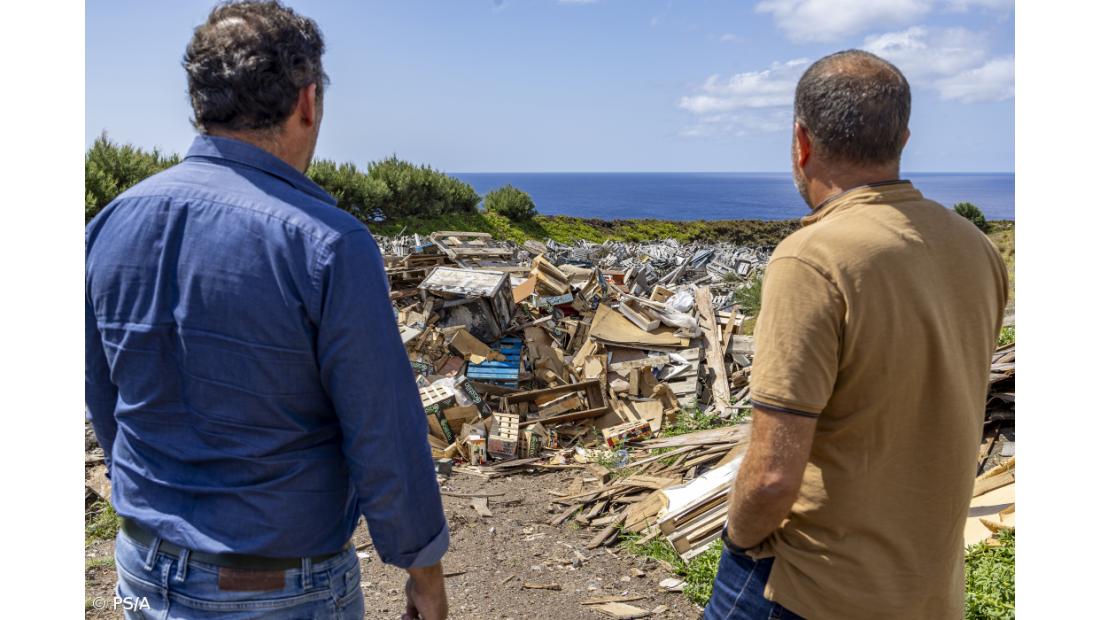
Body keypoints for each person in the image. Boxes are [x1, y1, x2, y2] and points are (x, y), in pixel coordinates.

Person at [84, 2, 449, 618]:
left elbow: (103, 393)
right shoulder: (328, 241)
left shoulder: (109, 224)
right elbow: (382, 430)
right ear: (307, 101)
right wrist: (424, 574)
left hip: (145, 562)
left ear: (200, 104)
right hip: (279, 584)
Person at [704, 50, 1008, 620]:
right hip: (928, 591)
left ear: (802, 141)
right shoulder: (977, 249)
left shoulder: (813, 258)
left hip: (811, 588)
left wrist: (739, 542)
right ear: (903, 137)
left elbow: (772, 475)